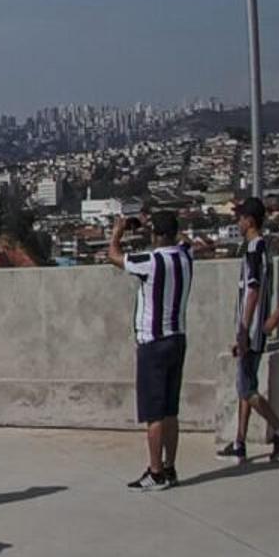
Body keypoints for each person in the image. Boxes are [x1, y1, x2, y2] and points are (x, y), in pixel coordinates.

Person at [111, 208, 192, 493]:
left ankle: (156, 471)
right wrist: (154, 226)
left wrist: (118, 232)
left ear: (157, 235)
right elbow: (185, 241)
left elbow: (115, 257)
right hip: (177, 338)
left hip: (153, 342)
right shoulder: (184, 256)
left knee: (153, 412)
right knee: (170, 409)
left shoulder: (152, 261)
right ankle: (170, 467)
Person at [218, 196, 279, 465]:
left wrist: (243, 330)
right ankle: (240, 441)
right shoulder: (261, 248)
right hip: (255, 330)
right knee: (245, 387)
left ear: (249, 220)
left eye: (240, 217)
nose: (237, 222)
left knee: (247, 389)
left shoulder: (254, 249)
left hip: (251, 331)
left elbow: (253, 291)